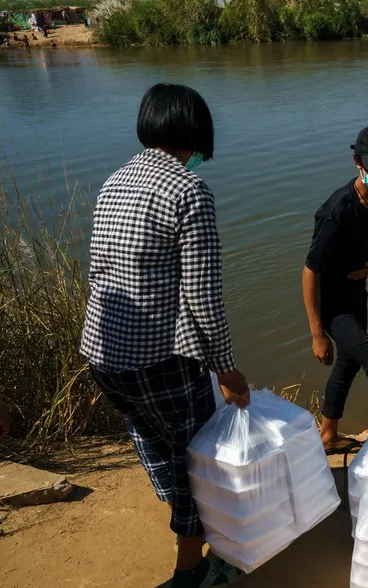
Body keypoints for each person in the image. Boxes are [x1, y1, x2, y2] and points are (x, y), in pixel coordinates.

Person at [80, 84, 248, 588]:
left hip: (102, 353)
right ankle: (191, 571)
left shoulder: (114, 181)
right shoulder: (189, 191)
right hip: (158, 361)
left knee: (157, 447)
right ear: (195, 132)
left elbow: (98, 273)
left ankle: (190, 544)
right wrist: (227, 367)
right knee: (192, 462)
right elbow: (201, 295)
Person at [303, 124, 368, 454]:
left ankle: (328, 435)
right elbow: (310, 272)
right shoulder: (339, 210)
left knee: (348, 364)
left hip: (356, 292)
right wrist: (317, 332)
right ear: (358, 162)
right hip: (331, 300)